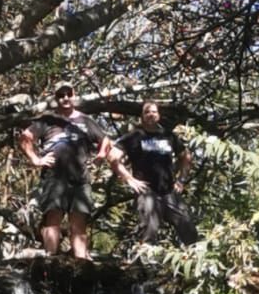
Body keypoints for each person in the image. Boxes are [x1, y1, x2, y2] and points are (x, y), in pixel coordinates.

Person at [17, 83, 132, 258]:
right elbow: (26, 137)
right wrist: (36, 160)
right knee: (53, 218)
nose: (65, 98)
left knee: (79, 222)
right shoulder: (48, 120)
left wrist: (101, 154)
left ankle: (80, 262)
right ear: (56, 98)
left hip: (80, 178)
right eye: (60, 95)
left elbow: (105, 139)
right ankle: (50, 258)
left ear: (73, 95)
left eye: (68, 94)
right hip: (54, 177)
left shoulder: (86, 121)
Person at [115, 100, 198, 245]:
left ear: (159, 115)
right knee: (149, 231)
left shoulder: (169, 136)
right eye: (147, 112)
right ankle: (145, 265)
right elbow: (113, 157)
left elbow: (186, 157)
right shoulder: (133, 136)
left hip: (169, 191)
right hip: (147, 191)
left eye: (154, 112)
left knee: (187, 226)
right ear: (142, 116)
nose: (151, 115)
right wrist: (128, 178)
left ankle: (196, 261)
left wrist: (181, 180)